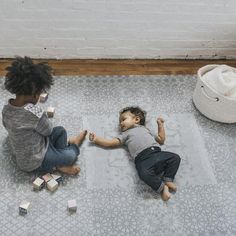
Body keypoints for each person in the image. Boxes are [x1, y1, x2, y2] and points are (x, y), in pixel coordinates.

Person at [2, 56, 87, 175]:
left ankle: (58, 160)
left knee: (61, 131)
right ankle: (68, 153)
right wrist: (40, 114)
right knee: (70, 156)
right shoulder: (34, 112)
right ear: (35, 94)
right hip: (35, 160)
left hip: (34, 144)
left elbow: (7, 126)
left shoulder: (6, 107)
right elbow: (48, 130)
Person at [89, 106, 181, 201]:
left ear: (136, 119)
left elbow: (161, 140)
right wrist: (96, 139)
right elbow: (110, 143)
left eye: (123, 119)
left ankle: (168, 179)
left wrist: (160, 126)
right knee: (143, 174)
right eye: (120, 121)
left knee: (175, 157)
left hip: (156, 153)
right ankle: (163, 188)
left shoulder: (146, 129)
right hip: (143, 160)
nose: (120, 123)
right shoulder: (125, 134)